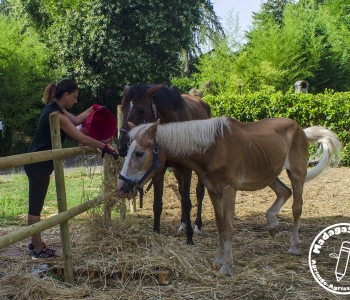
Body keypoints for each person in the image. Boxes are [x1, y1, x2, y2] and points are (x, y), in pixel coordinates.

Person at [24, 79, 118, 259]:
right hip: (38, 165)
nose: (75, 101)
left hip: (39, 164)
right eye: (74, 97)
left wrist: (93, 109)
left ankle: (34, 242)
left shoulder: (55, 109)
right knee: (35, 208)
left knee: (36, 206)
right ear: (65, 95)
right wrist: (104, 147)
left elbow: (75, 120)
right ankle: (37, 248)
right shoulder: (57, 116)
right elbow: (81, 138)